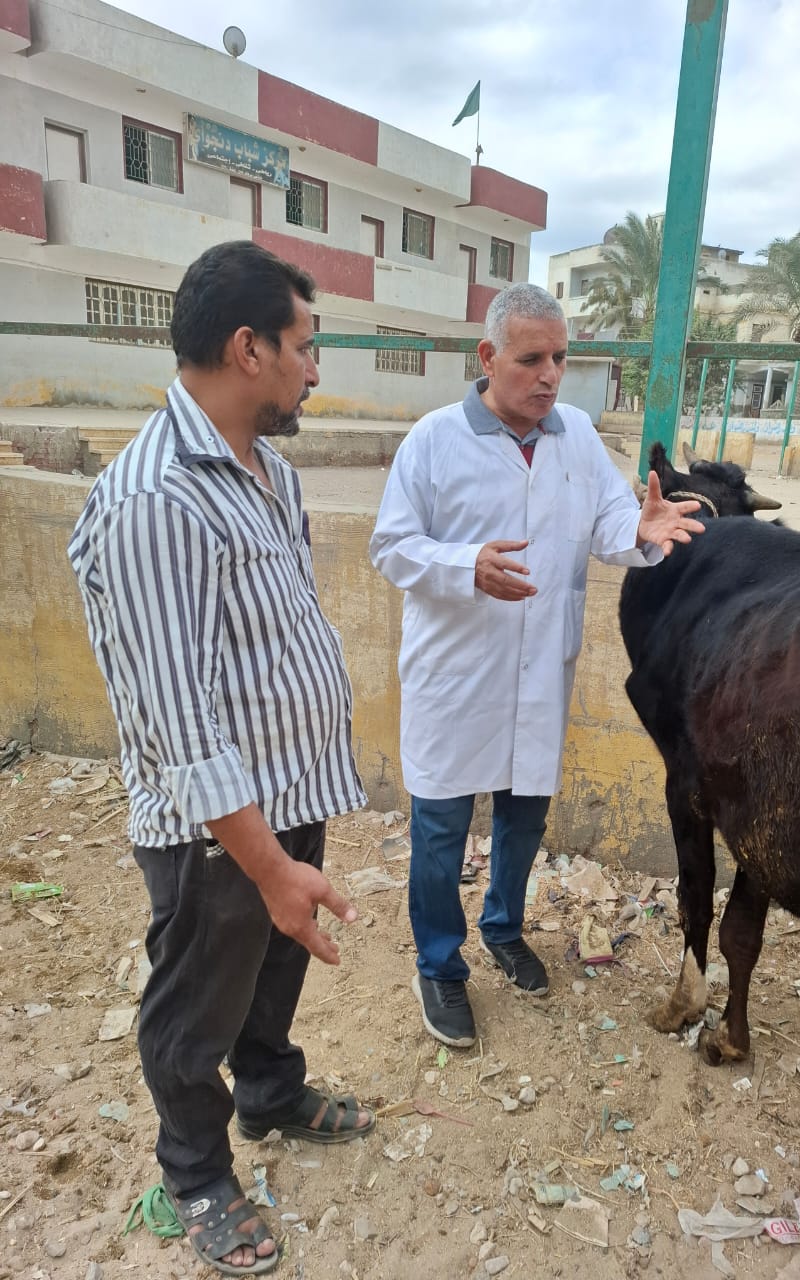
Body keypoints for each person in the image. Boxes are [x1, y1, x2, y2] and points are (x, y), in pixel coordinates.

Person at [68, 241, 374, 1277]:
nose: (315, 368)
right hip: (218, 829)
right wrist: (267, 862)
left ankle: (272, 1091)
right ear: (248, 349)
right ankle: (196, 1172)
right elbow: (179, 720)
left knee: (273, 968)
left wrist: (289, 852)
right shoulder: (157, 498)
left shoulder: (267, 471)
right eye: (304, 346)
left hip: (286, 789)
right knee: (196, 1001)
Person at [369, 282, 704, 1049]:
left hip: (539, 673)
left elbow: (610, 521)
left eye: (560, 358)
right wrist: (464, 565)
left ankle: (503, 928)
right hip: (456, 676)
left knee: (523, 818)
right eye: (531, 359)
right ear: (488, 357)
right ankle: (439, 966)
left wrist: (641, 527)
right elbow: (391, 545)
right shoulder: (433, 440)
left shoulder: (576, 434)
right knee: (441, 831)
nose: (550, 375)